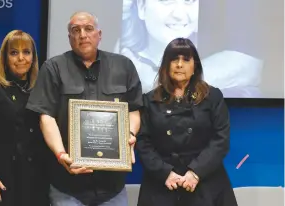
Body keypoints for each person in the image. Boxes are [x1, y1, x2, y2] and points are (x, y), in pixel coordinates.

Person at [26, 11, 143, 206]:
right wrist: (61, 154)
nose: (82, 34)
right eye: (76, 30)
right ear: (69, 37)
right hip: (67, 187)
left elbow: (134, 110)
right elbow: (45, 116)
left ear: (99, 34)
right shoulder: (53, 68)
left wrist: (129, 134)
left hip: (112, 188)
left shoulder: (124, 66)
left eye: (88, 29)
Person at [135, 37, 238, 206]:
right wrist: (165, 173)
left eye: (186, 59)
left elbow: (221, 139)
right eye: (174, 59)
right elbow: (143, 142)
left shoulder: (212, 97)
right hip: (162, 183)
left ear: (194, 66)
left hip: (205, 181)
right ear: (166, 66)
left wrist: (195, 172)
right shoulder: (150, 100)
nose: (179, 65)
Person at [0, 30, 50, 206]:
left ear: (33, 57)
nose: (21, 58)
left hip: (33, 182)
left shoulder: (42, 88)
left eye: (26, 52)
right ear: (5, 57)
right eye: (14, 52)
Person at [114, 0, 263, 97]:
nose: (180, 14)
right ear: (141, 7)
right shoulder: (122, 56)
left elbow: (254, 67)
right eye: (166, 2)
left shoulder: (221, 48)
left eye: (189, 1)